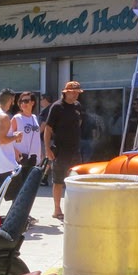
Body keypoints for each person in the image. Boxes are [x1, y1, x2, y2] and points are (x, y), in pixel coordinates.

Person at [43, 80, 86, 221]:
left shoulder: (78, 106)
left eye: (77, 93)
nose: (75, 95)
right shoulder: (57, 107)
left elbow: (79, 123)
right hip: (61, 150)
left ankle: (74, 208)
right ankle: (57, 209)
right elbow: (48, 129)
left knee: (76, 180)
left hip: (75, 150)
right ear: (65, 92)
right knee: (58, 181)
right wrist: (47, 149)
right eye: (72, 92)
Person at [6, 92, 43, 200]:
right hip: (21, 157)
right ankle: (16, 208)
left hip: (33, 158)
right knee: (19, 188)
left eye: (26, 101)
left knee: (29, 187)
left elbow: (36, 137)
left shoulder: (34, 117)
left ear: (32, 102)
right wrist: (15, 151)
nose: (23, 104)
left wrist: (40, 152)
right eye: (21, 101)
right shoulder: (17, 118)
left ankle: (24, 209)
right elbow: (7, 137)